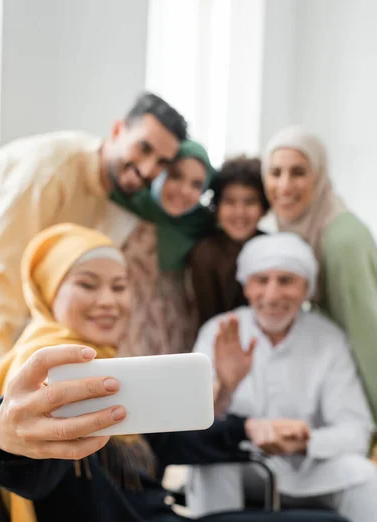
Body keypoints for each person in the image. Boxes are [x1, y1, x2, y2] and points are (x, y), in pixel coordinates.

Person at [0, 225, 377, 522]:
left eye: (120, 287)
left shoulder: (103, 368)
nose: (109, 301)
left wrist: (237, 412)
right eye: (87, 284)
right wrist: (3, 436)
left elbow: (166, 443)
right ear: (48, 292)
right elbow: (25, 461)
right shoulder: (43, 371)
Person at [0, 92, 187, 406]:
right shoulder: (52, 168)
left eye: (161, 163)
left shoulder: (110, 195)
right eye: (144, 148)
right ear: (117, 130)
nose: (147, 169)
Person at [190, 232, 377, 522]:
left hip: (308, 468)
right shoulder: (218, 332)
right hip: (243, 466)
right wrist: (226, 383)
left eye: (286, 281)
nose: (272, 295)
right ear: (246, 286)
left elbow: (357, 432)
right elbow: (194, 425)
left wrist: (305, 441)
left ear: (306, 288)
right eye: (261, 280)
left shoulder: (328, 340)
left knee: (363, 475)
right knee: (209, 465)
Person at [262, 125, 377, 423]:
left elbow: (366, 334)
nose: (284, 186)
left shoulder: (341, 240)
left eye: (298, 172)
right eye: (275, 173)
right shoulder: (294, 228)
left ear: (319, 175)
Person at [117, 140, 215, 356]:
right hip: (123, 322)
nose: (184, 191)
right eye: (175, 176)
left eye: (197, 184)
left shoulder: (202, 225)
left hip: (178, 325)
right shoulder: (123, 205)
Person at [190, 156, 269, 326]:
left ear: (264, 207)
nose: (239, 212)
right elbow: (209, 321)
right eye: (229, 201)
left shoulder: (272, 247)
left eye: (250, 201)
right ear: (217, 207)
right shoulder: (205, 252)